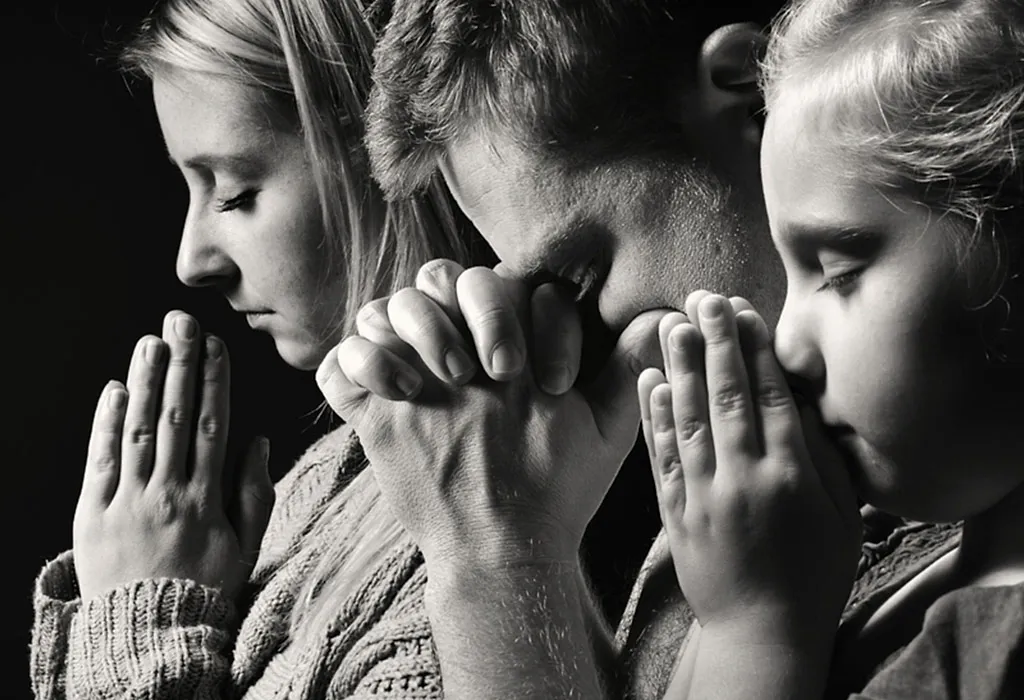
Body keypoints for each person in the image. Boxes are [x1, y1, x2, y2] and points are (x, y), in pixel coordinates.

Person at [314, 0, 969, 697]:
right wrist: (532, 538)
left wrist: (495, 555)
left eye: (579, 274)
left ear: (751, 95)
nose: (582, 338)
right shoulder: (749, 513)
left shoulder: (955, 548)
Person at [29, 0, 486, 697]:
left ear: (388, 147)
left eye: (235, 193)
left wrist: (138, 626)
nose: (191, 261)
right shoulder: (324, 484)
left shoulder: (488, 534)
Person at [639, 0, 1024, 697]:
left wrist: (753, 629)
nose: (787, 343)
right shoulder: (894, 559)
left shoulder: (997, 656)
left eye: (839, 271)